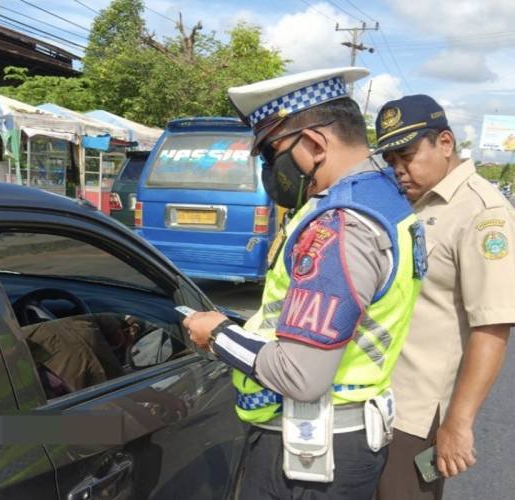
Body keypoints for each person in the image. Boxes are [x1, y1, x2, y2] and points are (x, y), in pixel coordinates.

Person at [182, 67, 426, 499]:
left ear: (314, 144)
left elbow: (300, 375)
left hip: (312, 460)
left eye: (273, 153)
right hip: (339, 442)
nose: (270, 169)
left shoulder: (342, 223)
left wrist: (218, 335)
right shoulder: (385, 199)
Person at [373, 95, 515, 500]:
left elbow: (492, 326)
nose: (399, 170)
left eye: (408, 155)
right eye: (391, 160)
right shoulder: (410, 203)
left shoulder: (483, 213)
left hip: (417, 416)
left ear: (446, 144)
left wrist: (457, 423)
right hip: (377, 398)